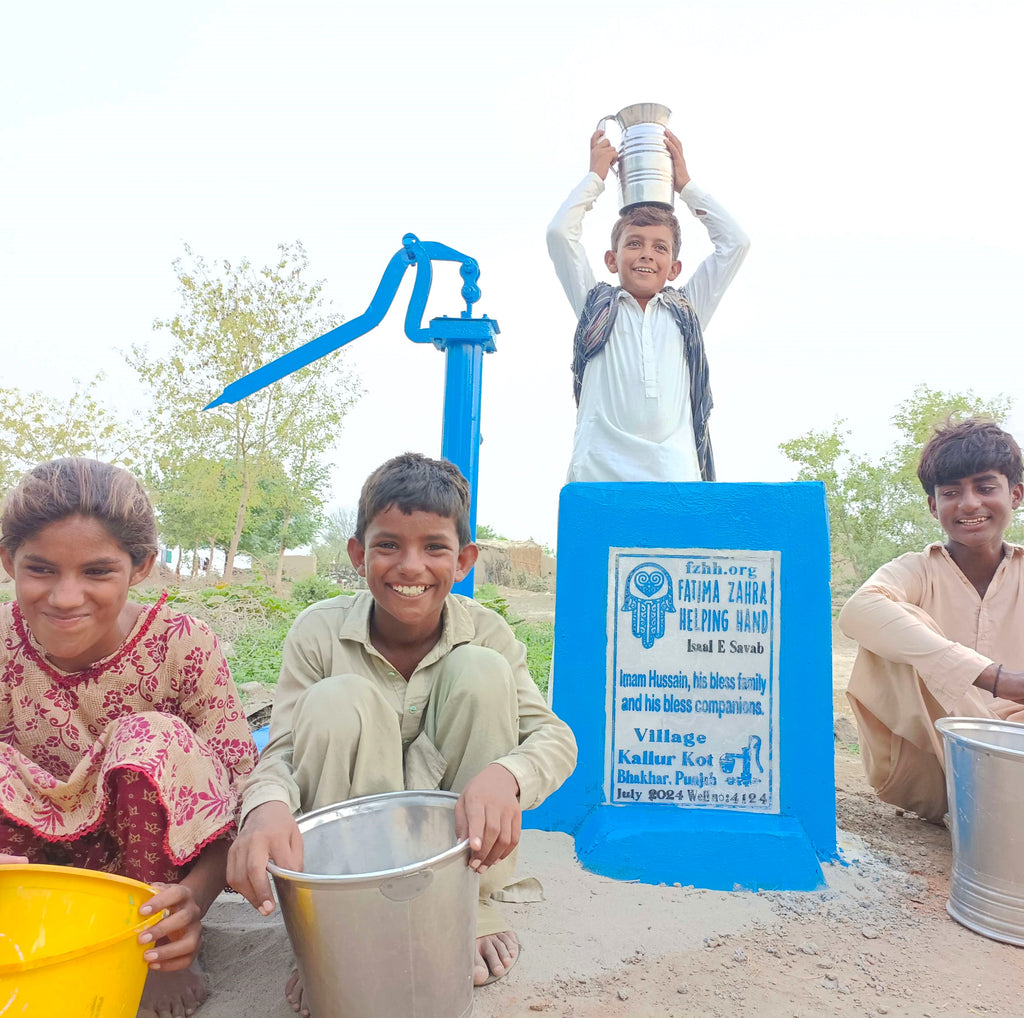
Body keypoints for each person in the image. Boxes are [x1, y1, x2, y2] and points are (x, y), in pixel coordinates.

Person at [228, 452, 577, 1014]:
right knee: (337, 700)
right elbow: (284, 749)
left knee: (482, 674)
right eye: (388, 545)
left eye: (434, 547)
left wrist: (506, 776)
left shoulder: (487, 631)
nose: (410, 566)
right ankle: (341, 925)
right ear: (358, 555)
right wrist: (264, 808)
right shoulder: (318, 632)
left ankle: (467, 905)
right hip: (351, 852)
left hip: (452, 844)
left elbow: (553, 738)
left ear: (463, 560)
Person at [0, 458, 257, 1018]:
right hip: (39, 872)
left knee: (148, 738)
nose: (66, 598)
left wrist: (195, 901)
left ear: (140, 567)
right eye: (40, 570)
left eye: (97, 572)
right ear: (8, 562)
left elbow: (235, 794)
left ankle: (157, 952)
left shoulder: (182, 644)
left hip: (152, 878)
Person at [839, 418, 1024, 821]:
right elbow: (856, 611)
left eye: (985, 487)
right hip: (935, 770)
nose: (969, 503)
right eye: (951, 492)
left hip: (1019, 754)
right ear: (933, 506)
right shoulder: (916, 571)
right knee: (895, 620)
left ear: (1015, 494)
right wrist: (992, 677)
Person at [547, 127, 750, 483]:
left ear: (674, 268)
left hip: (674, 478)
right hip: (598, 475)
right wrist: (596, 177)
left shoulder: (687, 311)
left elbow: (736, 243)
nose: (646, 254)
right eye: (634, 243)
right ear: (612, 259)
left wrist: (685, 185)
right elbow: (559, 234)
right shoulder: (594, 306)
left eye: (660, 247)